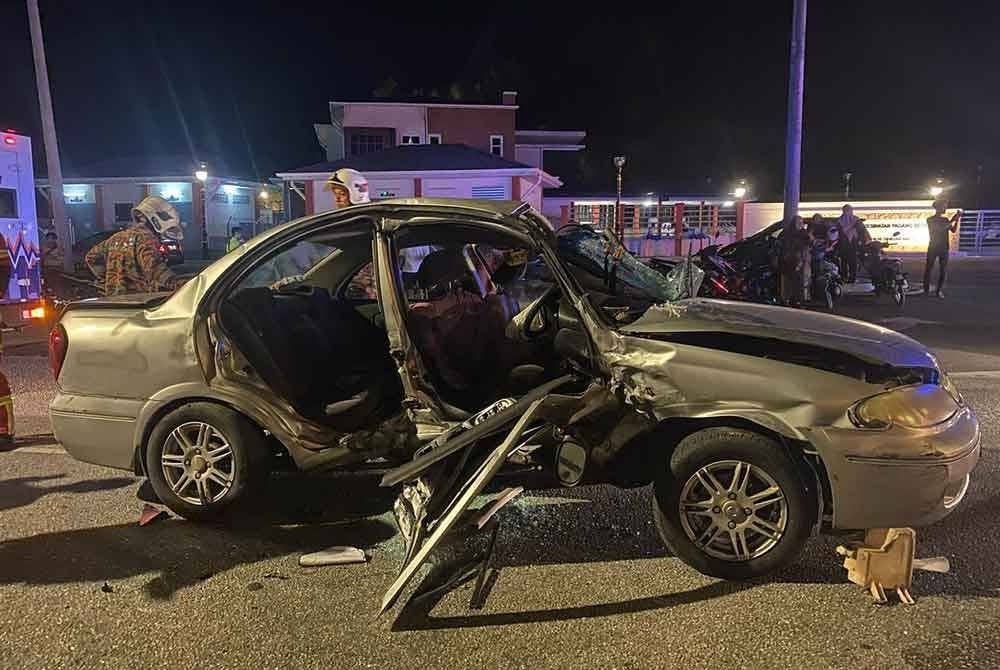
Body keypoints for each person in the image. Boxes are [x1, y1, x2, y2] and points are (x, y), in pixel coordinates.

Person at [85, 196, 184, 296]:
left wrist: (108, 280)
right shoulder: (146, 239)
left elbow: (91, 257)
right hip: (138, 301)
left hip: (113, 301)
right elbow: (154, 268)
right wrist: (179, 284)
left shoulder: (116, 237)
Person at [923, 199, 962, 297]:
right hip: (933, 247)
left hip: (944, 247)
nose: (945, 208)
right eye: (944, 206)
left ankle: (939, 291)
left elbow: (953, 230)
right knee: (928, 269)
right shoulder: (930, 219)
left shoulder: (945, 220)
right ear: (938, 207)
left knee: (943, 270)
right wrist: (952, 220)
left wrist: (957, 220)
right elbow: (940, 229)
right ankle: (926, 290)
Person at [780, 216, 811, 306]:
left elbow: (808, 244)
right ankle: (787, 299)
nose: (800, 224)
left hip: (800, 261)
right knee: (788, 281)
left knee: (798, 281)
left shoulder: (804, 233)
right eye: (798, 222)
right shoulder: (787, 233)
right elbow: (784, 246)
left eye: (801, 222)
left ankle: (797, 299)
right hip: (788, 260)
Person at [836, 204, 863, 282]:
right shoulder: (839, 220)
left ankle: (853, 278)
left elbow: (861, 231)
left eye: (849, 210)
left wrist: (861, 241)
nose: (847, 212)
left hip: (854, 243)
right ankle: (844, 277)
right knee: (843, 261)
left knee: (853, 261)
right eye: (845, 210)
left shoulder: (856, 219)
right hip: (843, 243)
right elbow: (838, 232)